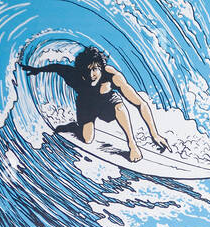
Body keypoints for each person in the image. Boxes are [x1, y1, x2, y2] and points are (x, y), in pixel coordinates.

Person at [20, 46, 169, 163]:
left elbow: (140, 104)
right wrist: (36, 70)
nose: (91, 75)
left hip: (107, 104)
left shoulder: (113, 76)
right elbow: (57, 68)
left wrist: (154, 134)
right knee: (87, 139)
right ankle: (75, 126)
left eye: (94, 70)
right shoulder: (74, 75)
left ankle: (132, 145)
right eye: (87, 70)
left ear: (100, 68)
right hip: (86, 105)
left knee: (119, 106)